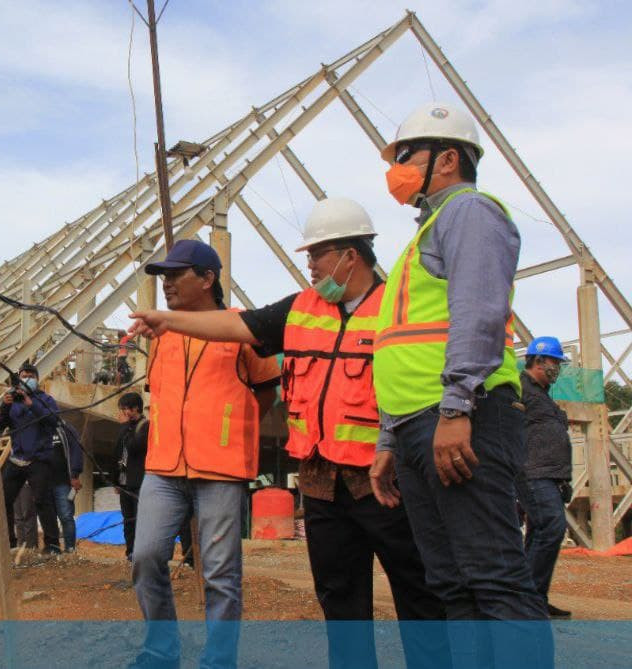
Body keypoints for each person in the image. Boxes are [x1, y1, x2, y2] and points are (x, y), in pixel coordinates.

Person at [131, 199, 445, 668]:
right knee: (340, 598)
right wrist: (167, 319)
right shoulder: (300, 310)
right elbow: (241, 325)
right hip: (320, 480)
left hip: (383, 479)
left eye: (317, 255)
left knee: (416, 589)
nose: (311, 267)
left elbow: (422, 382)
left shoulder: (398, 310)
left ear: (349, 256)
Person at [369, 101, 550, 666]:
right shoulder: (427, 230)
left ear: (447, 159)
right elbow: (402, 345)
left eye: (405, 156)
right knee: (452, 584)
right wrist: (389, 439)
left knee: (493, 578)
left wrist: (456, 407)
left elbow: (477, 314)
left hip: (460, 417)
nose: (395, 168)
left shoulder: (468, 213)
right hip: (420, 424)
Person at [126, 239, 280, 669]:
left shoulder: (241, 328)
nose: (167, 283)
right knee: (146, 556)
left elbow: (266, 390)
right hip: (164, 467)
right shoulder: (162, 335)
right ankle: (160, 651)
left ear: (208, 278)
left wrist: (232, 427)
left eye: (176, 274)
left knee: (219, 574)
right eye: (163, 276)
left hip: (221, 468)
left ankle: (218, 661)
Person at [516, 336, 573, 619]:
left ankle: (533, 598)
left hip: (551, 474)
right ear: (538, 360)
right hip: (532, 472)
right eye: (555, 361)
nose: (558, 367)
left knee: (541, 531)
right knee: (551, 527)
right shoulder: (519, 388)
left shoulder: (543, 394)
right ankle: (526, 601)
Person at [0, 362, 63, 554]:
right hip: (17, 458)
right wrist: (5, 406)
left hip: (39, 459)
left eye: (31, 376)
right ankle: (8, 542)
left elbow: (54, 420)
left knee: (43, 500)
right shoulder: (12, 403)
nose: (27, 379)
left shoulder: (45, 400)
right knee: (3, 500)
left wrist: (31, 404)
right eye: (23, 376)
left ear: (37, 379)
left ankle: (52, 544)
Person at [114, 392, 149, 561]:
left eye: (126, 409)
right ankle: (130, 551)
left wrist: (125, 427)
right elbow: (117, 451)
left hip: (139, 481)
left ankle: (141, 552)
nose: (123, 413)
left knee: (140, 518)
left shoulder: (145, 426)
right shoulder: (126, 428)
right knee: (127, 519)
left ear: (135, 408)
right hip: (124, 481)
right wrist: (116, 481)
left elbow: (135, 447)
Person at [48, 418, 84, 553]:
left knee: (66, 516)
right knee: (49, 518)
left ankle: (70, 549)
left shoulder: (65, 428)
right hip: (44, 482)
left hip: (63, 481)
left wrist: (74, 475)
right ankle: (53, 549)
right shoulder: (39, 429)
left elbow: (76, 451)